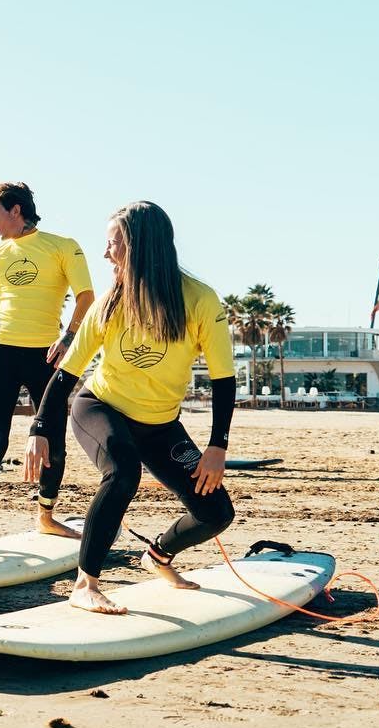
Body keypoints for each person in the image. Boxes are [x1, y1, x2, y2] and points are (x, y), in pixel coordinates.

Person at [24, 201, 237, 615]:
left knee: (215, 512)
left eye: (113, 244)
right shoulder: (109, 304)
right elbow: (66, 376)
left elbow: (224, 378)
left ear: (141, 247)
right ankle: (86, 583)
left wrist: (217, 446)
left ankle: (157, 555)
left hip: (160, 425)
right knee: (122, 472)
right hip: (101, 407)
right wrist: (38, 430)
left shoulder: (198, 300)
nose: (106, 253)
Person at [0, 182, 96, 554]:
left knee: (54, 442)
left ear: (16, 210)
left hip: (46, 355)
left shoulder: (63, 246)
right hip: (3, 353)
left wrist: (69, 337)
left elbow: (86, 297)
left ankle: (45, 515)